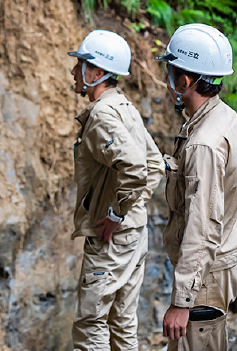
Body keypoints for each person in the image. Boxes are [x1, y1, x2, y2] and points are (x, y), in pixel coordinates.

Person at [156, 24, 237, 351]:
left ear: (184, 81)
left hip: (204, 279)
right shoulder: (225, 116)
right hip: (219, 268)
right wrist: (234, 227)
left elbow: (202, 227)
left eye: (172, 70)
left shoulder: (202, 144)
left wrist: (182, 301)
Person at [68, 30, 165, 351]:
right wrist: (132, 211)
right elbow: (154, 165)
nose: (73, 71)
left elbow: (138, 168)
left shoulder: (102, 116)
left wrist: (115, 215)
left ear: (97, 73)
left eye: (80, 64)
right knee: (122, 320)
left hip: (111, 238)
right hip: (135, 235)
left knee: (91, 323)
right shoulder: (125, 107)